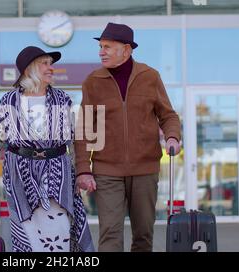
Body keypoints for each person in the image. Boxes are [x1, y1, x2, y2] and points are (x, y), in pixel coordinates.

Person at [0, 46, 94, 252]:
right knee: (29, 237)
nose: (51, 68)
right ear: (29, 69)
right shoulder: (10, 100)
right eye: (45, 63)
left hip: (57, 175)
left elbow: (75, 140)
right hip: (20, 177)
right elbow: (0, 136)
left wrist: (82, 172)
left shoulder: (63, 100)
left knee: (59, 234)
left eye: (51, 64)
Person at [74, 22, 182, 252]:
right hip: (106, 171)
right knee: (110, 234)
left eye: (107, 47)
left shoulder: (149, 76)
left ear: (127, 49)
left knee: (143, 235)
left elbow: (168, 115)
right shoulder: (93, 82)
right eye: (101, 47)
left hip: (145, 169)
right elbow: (83, 128)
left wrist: (172, 137)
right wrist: (83, 168)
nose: (101, 52)